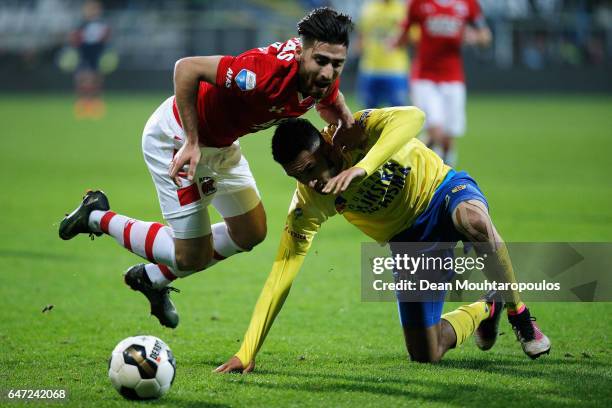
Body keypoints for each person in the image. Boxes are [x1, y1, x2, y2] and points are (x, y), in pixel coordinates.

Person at [58, 7, 355, 329]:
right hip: (176, 141)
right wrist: (190, 140)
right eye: (321, 61)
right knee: (191, 257)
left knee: (250, 232)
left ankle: (151, 279)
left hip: (222, 146)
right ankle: (96, 216)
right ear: (301, 51)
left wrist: (346, 123)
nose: (327, 72)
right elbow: (186, 68)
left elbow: (332, 103)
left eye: (337, 64)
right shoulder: (261, 73)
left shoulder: (321, 81)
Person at [215, 107, 551, 373]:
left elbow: (414, 117)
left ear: (324, 142)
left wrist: (362, 168)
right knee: (427, 353)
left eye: (310, 168)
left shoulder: (354, 130)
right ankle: (487, 306)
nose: (310, 182)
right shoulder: (308, 203)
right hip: (410, 241)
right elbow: (280, 277)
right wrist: (246, 352)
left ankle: (519, 315)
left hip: (442, 190)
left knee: (474, 221)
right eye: (298, 175)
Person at [393, 0, 491, 166]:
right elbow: (404, 31)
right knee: (435, 129)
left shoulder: (468, 4)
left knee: (447, 139)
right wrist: (393, 43)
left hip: (453, 78)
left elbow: (485, 37)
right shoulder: (418, 3)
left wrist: (474, 37)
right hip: (425, 77)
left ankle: (428, 168)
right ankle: (405, 164)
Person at [356, 0, 410, 108]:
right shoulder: (367, 8)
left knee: (398, 113)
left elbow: (411, 37)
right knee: (367, 115)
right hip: (370, 69)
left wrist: (396, 42)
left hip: (396, 70)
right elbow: (361, 36)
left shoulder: (403, 9)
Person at [70, 0, 111, 119]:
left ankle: (95, 103)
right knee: (83, 78)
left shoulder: (102, 24)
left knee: (96, 78)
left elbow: (106, 38)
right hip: (84, 54)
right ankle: (82, 103)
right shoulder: (82, 24)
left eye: (95, 9)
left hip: (96, 55)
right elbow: (75, 39)